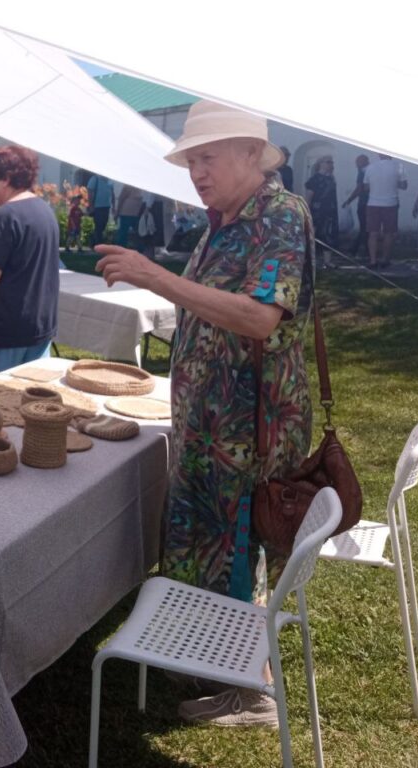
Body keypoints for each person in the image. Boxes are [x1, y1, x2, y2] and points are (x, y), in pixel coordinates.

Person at [95, 100, 315, 726]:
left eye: (207, 157)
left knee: (240, 541)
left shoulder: (279, 214)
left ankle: (253, 692)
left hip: (250, 430)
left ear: (252, 153)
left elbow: (259, 315)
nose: (196, 171)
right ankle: (219, 659)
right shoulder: (226, 219)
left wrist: (153, 276)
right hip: (215, 425)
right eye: (191, 160)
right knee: (215, 541)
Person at [0, 145, 59, 377]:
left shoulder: (4, 218)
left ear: (6, 178)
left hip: (5, 333)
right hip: (38, 326)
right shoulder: (45, 211)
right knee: (31, 404)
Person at [363, 153, 407, 269]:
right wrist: (393, 183)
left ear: (379, 154)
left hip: (373, 203)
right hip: (390, 203)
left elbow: (366, 187)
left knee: (373, 233)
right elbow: (404, 185)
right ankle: (385, 259)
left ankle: (373, 261)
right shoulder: (399, 166)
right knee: (389, 233)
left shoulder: (370, 167)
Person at [304, 155, 339, 269]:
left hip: (330, 212)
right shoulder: (314, 179)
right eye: (328, 162)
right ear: (321, 164)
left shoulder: (331, 179)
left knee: (328, 235)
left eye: (332, 162)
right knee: (311, 236)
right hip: (316, 212)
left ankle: (327, 261)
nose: (331, 165)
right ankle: (306, 260)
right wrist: (307, 212)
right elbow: (309, 196)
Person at [341, 154, 370, 257]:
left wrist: (349, 200)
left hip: (364, 203)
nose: (356, 165)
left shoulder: (362, 172)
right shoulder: (372, 171)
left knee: (364, 228)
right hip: (372, 203)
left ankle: (357, 249)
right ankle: (360, 249)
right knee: (367, 228)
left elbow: (359, 189)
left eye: (358, 162)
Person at [86, 173, 114, 246]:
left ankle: (93, 240)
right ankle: (98, 244)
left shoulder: (110, 181)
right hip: (97, 207)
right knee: (99, 225)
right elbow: (90, 192)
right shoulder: (95, 179)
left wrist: (113, 206)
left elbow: (112, 193)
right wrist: (91, 205)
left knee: (103, 225)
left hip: (106, 207)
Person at [114, 183, 144, 247]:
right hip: (131, 212)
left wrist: (117, 212)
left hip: (130, 212)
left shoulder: (129, 186)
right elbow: (121, 198)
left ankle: (122, 248)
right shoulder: (132, 186)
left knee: (125, 233)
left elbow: (121, 198)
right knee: (136, 233)